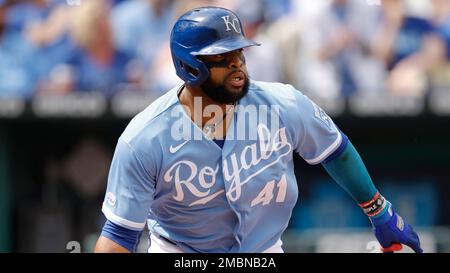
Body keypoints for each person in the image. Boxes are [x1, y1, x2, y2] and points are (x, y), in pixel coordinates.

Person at [94, 6, 422, 253]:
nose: (237, 63)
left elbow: (334, 150)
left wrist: (380, 211)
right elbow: (120, 234)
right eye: (222, 57)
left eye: (239, 51)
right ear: (189, 66)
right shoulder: (145, 138)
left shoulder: (283, 103)